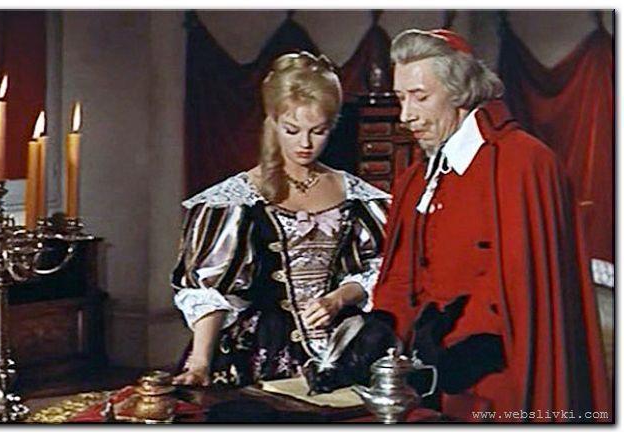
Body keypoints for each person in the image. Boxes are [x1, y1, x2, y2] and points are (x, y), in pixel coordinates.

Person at [374, 29, 611, 421]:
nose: (406, 115)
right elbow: (405, 274)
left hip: (502, 381)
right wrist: (382, 323)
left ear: (460, 92)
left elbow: (525, 291)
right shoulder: (416, 179)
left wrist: (469, 350)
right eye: (401, 98)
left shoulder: (524, 164)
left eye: (420, 97)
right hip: (427, 384)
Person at [171, 52, 396, 390]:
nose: (305, 143)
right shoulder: (235, 199)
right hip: (262, 349)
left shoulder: (359, 197)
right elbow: (212, 290)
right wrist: (200, 363)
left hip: (342, 345)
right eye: (292, 130)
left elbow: (377, 270)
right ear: (272, 122)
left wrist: (338, 298)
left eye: (318, 131)